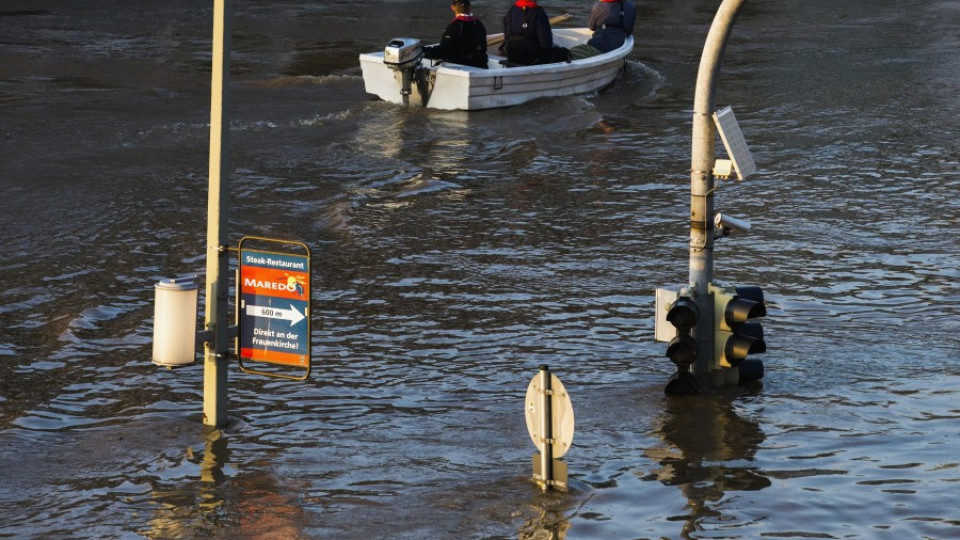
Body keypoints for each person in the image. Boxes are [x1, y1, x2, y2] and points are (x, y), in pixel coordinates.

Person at [422, 0, 488, 69]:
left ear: (452, 7)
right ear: (469, 7)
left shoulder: (454, 27)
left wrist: (423, 51)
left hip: (463, 70)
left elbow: (444, 51)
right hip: (481, 67)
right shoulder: (479, 24)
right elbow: (483, 47)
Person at [500, 0, 569, 65]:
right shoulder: (538, 12)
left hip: (512, 57)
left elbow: (507, 37)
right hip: (532, 58)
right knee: (563, 53)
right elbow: (546, 43)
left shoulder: (511, 11)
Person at [569, 0, 637, 60]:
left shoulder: (599, 5)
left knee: (565, 54)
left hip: (598, 47)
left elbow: (591, 27)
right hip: (619, 48)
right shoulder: (632, 6)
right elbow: (628, 32)